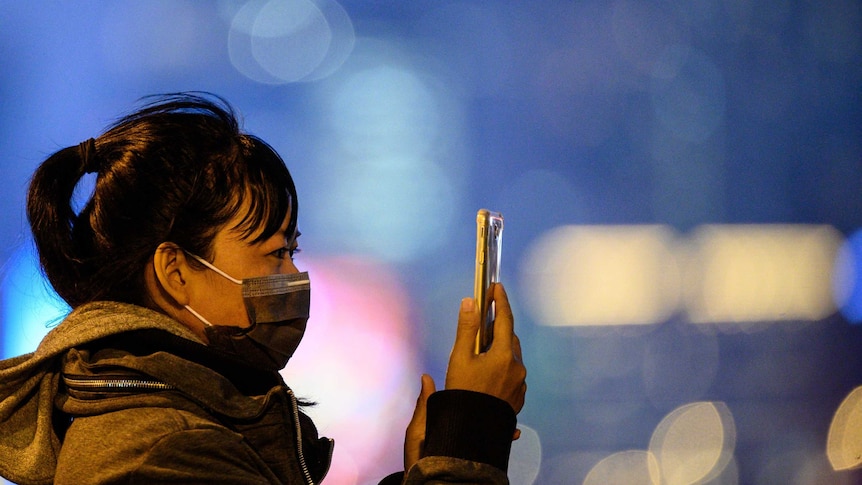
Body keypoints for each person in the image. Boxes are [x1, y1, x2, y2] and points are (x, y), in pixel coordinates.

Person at [0, 93, 527, 484]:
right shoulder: (165, 452)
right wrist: (471, 436)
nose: (293, 278)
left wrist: (427, 467)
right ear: (175, 271)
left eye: (292, 252)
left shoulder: (184, 422)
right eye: (274, 252)